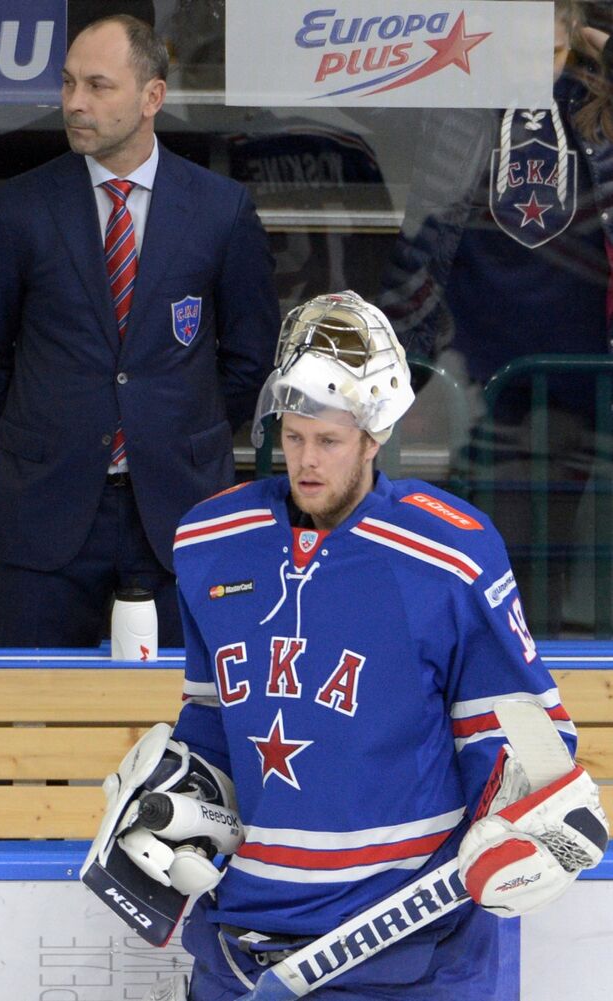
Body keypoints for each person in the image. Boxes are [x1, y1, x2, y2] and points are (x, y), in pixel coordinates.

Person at [86, 291, 607, 1000]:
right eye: (293, 435)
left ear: (375, 433)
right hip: (242, 947)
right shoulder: (211, 542)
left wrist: (529, 818)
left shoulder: (448, 553)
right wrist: (181, 791)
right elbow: (212, 718)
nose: (305, 460)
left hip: (408, 949)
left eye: (327, 441)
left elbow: (515, 737)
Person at [0, 14, 280, 648]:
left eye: (98, 86)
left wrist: (182, 430)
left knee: (191, 715)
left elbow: (248, 357)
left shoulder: (220, 208)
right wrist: (44, 433)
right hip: (49, 508)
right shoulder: (18, 208)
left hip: (181, 508)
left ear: (151, 96)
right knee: (35, 719)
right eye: (70, 84)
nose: (75, 103)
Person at [379, 0, 613, 635]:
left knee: (591, 588)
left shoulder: (601, 97)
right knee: (509, 585)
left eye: (546, 13)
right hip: (494, 392)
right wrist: (387, 372)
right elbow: (427, 240)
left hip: (599, 389)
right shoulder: (466, 106)